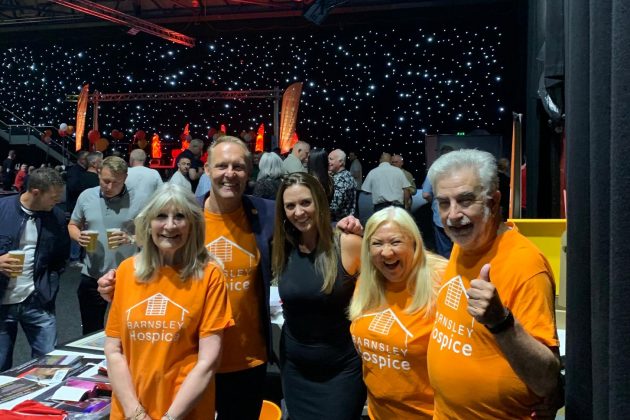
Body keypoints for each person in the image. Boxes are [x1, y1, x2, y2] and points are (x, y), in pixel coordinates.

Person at [97, 137, 365, 420]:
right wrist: (116, 281)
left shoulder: (264, 213)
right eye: (222, 165)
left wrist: (343, 226)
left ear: (249, 172)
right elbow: (150, 265)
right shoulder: (185, 215)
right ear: (208, 169)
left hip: (245, 360)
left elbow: (304, 222)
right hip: (184, 363)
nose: (230, 173)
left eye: (238, 166)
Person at [426, 149, 561, 419]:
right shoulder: (464, 244)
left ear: (494, 200)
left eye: (465, 200)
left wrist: (501, 322)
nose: (453, 215)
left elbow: (547, 380)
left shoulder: (524, 265)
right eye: (444, 203)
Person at [104, 183, 233, 420]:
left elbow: (208, 361)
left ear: (193, 224)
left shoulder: (209, 275)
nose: (170, 225)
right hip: (130, 411)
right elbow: (114, 351)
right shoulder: (126, 271)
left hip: (185, 412)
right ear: (148, 223)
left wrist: (169, 418)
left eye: (180, 216)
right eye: (161, 216)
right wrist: (136, 413)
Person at [272, 172, 366, 420]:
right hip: (295, 368)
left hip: (342, 369)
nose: (299, 212)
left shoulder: (347, 243)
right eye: (290, 206)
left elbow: (382, 288)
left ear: (320, 202)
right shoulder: (283, 248)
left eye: (306, 202)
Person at [349, 207, 447, 419]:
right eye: (377, 243)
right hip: (380, 413)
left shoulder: (441, 281)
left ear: (414, 242)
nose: (386, 252)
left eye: (395, 242)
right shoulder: (367, 282)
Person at [0, 168, 69, 370]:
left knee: (48, 364)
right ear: (36, 192)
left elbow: (61, 257)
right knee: (2, 367)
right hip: (2, 303)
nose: (57, 202)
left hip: (37, 300)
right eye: (53, 197)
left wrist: (49, 285)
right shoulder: (3, 209)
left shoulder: (55, 217)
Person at [69, 156, 139, 335]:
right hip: (92, 275)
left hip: (128, 278)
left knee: (128, 333)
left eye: (115, 183)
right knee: (91, 332)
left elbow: (153, 235)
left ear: (125, 178)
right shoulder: (86, 196)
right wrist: (79, 237)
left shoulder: (139, 199)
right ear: (98, 173)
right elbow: (73, 224)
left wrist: (131, 238)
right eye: (105, 181)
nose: (109, 187)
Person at [328, 149, 357, 221]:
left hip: (338, 223)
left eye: (331, 159)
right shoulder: (347, 174)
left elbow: (335, 207)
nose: (328, 162)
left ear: (341, 162)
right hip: (345, 220)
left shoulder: (341, 179)